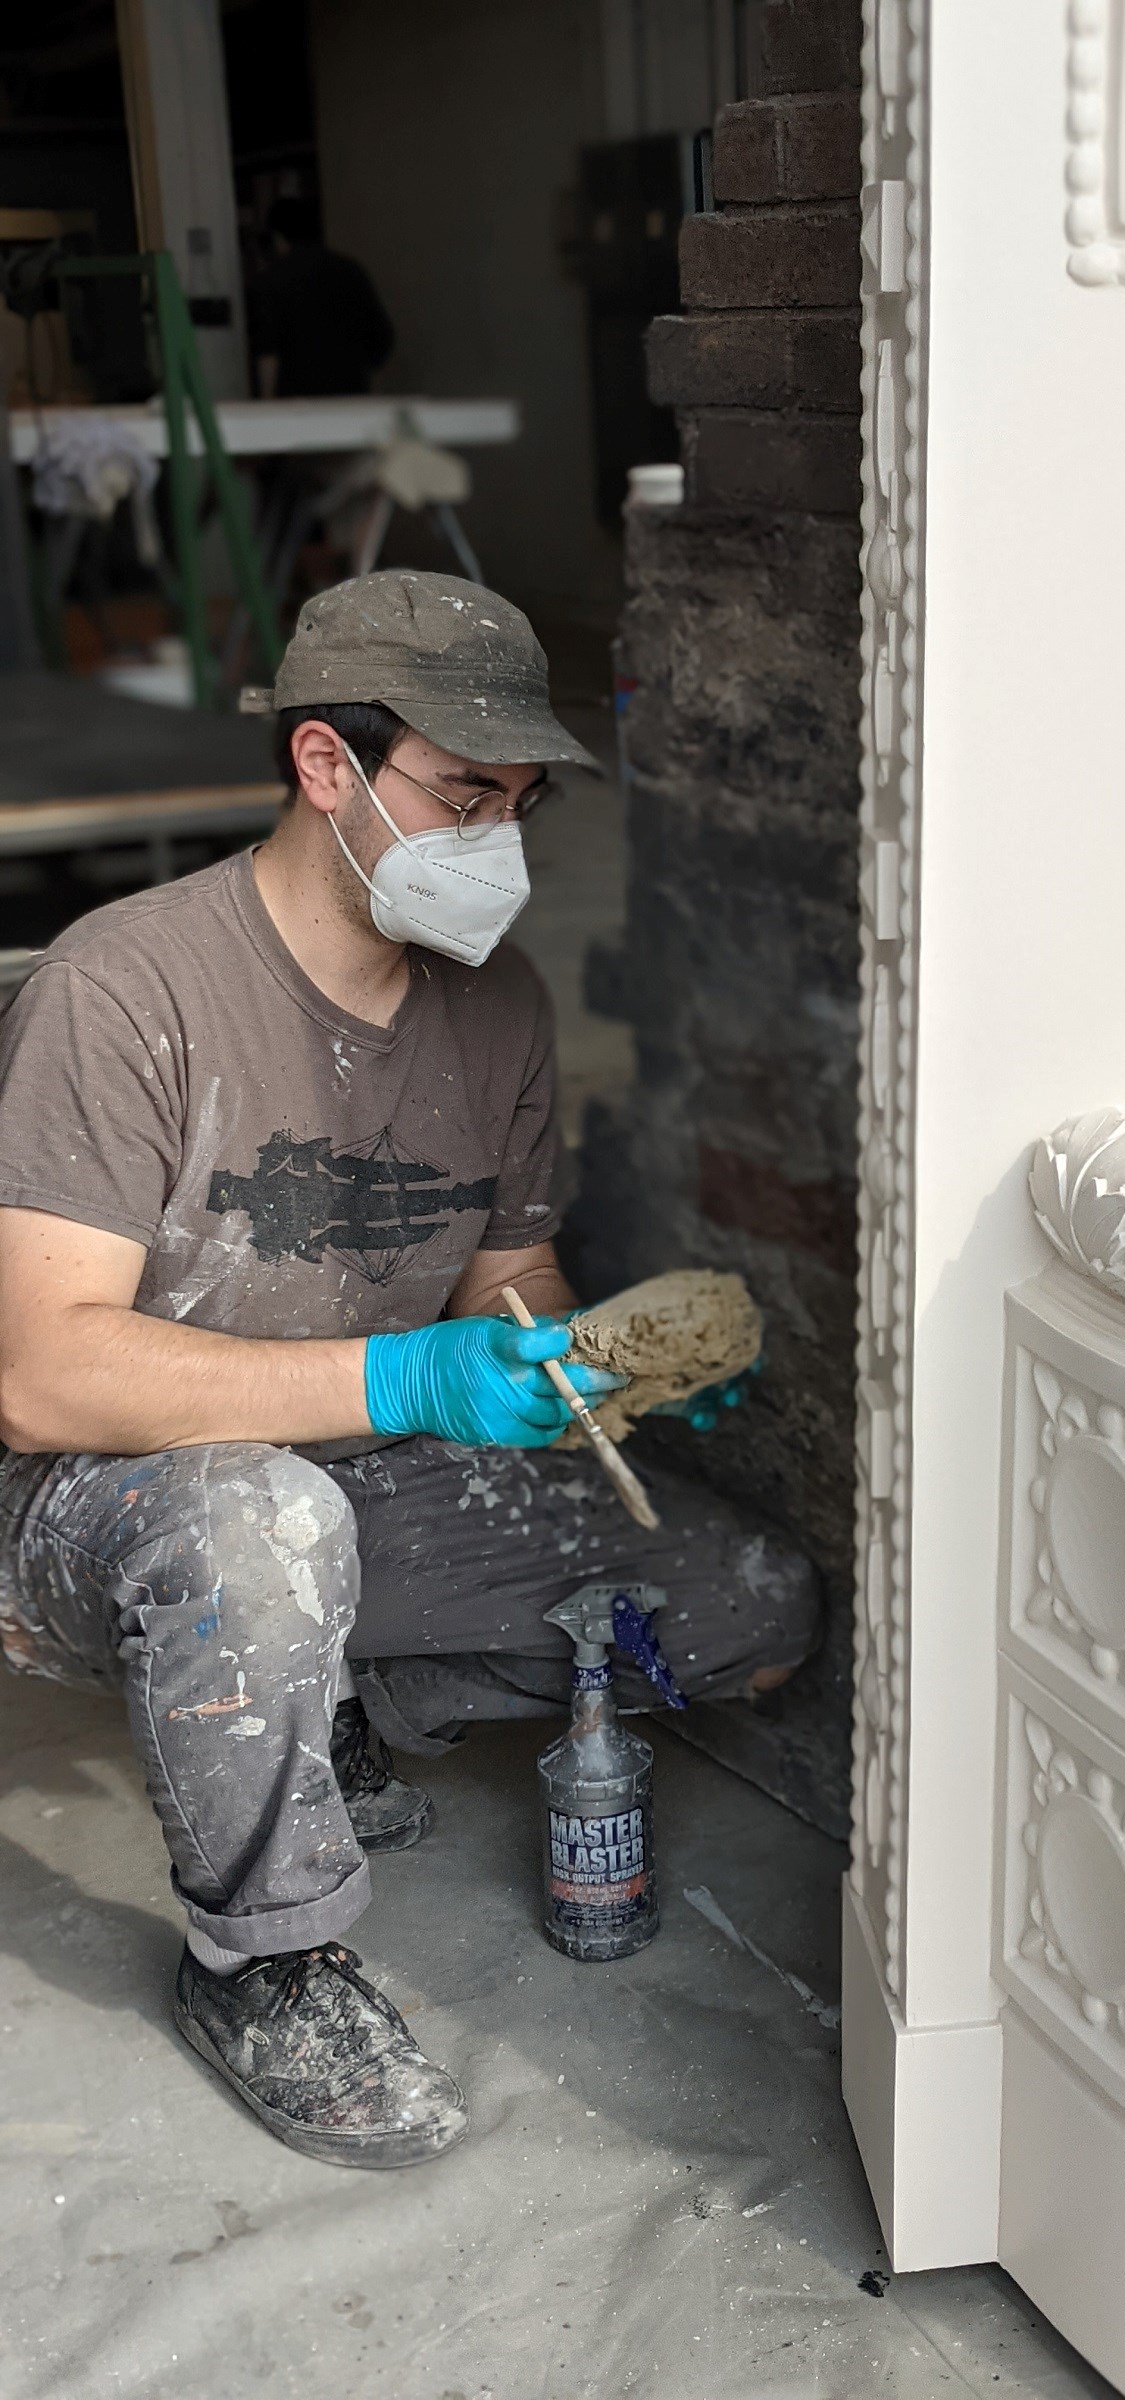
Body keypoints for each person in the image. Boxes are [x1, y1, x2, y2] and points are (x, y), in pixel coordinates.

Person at [0, 570, 820, 2170]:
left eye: (518, 805)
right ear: (326, 766)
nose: (498, 843)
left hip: (358, 1484)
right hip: (108, 1505)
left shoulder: (493, 1007)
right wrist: (416, 1384)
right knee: (262, 1528)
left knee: (750, 1606)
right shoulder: (122, 991)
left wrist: (597, 1363)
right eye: (462, 796)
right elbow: (40, 1374)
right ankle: (267, 1963)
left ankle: (334, 1700)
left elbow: (503, 1278)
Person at [246, 195, 394, 401]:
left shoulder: (271, 280)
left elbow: (267, 351)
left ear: (278, 237)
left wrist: (268, 405)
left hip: (297, 401)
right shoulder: (351, 271)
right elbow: (381, 340)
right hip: (351, 394)